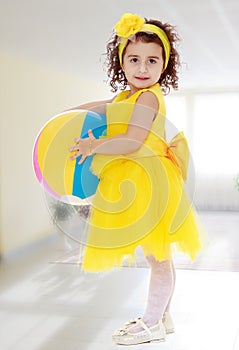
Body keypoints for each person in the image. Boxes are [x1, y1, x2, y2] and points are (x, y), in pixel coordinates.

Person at [68, 13, 205, 346]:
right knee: (158, 255)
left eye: (152, 60)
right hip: (140, 179)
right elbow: (100, 107)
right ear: (122, 63)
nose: (142, 67)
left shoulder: (147, 97)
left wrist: (92, 145)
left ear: (164, 66)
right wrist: (67, 117)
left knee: (157, 256)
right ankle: (163, 317)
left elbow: (132, 141)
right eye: (134, 59)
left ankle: (152, 321)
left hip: (148, 180)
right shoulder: (125, 98)